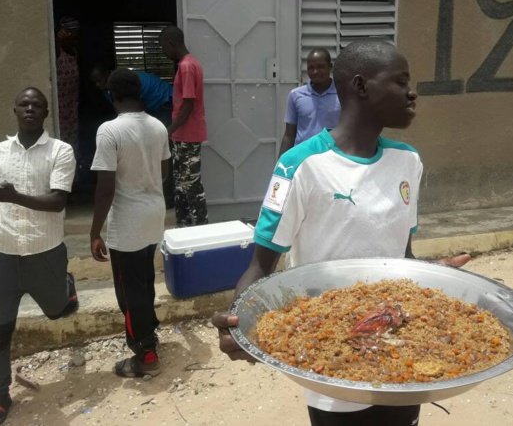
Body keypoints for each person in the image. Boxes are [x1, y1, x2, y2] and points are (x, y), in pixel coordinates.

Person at [212, 40, 471, 426]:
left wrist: (439, 279)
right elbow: (261, 266)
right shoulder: (301, 166)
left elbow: (404, 257)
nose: (412, 92)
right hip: (333, 358)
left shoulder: (407, 162)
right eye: (400, 82)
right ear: (361, 86)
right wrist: (240, 321)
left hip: (401, 350)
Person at [0, 88, 79, 426]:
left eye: (37, 105)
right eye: (24, 104)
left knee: (56, 311)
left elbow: (57, 201)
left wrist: (12, 195)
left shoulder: (60, 151)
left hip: (44, 251)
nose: (30, 109)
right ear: (15, 110)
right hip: (4, 252)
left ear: (46, 112)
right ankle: (1, 394)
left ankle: (65, 286)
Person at [89, 68, 170, 378]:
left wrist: (96, 231)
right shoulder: (159, 127)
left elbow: (105, 188)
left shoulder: (109, 131)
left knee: (128, 290)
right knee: (144, 280)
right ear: (140, 93)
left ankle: (145, 354)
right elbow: (162, 172)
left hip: (128, 221)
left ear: (112, 96)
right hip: (154, 214)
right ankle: (149, 333)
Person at [90, 62, 175, 208]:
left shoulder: (129, 85)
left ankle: (167, 200)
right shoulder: (109, 91)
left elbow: (138, 113)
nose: (98, 84)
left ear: (107, 74)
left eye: (100, 80)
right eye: (95, 82)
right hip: (152, 107)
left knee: (162, 152)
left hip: (165, 102)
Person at [158, 25, 208, 227]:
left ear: (171, 43)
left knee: (191, 185)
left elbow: (188, 105)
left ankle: (200, 229)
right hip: (182, 136)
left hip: (187, 136)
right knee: (180, 185)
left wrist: (167, 131)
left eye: (163, 47)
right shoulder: (188, 64)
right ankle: (184, 227)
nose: (163, 51)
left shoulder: (187, 67)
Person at [279, 48, 340, 156]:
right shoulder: (296, 95)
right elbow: (289, 135)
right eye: (310, 68)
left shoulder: (343, 94)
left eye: (320, 67)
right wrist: (280, 165)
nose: (315, 72)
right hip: (303, 158)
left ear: (330, 67)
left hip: (333, 158)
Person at [55, 16, 81, 157]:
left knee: (71, 148)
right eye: (71, 34)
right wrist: (59, 40)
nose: (74, 38)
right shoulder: (57, 50)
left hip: (71, 109)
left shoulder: (74, 50)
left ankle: (74, 178)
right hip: (59, 110)